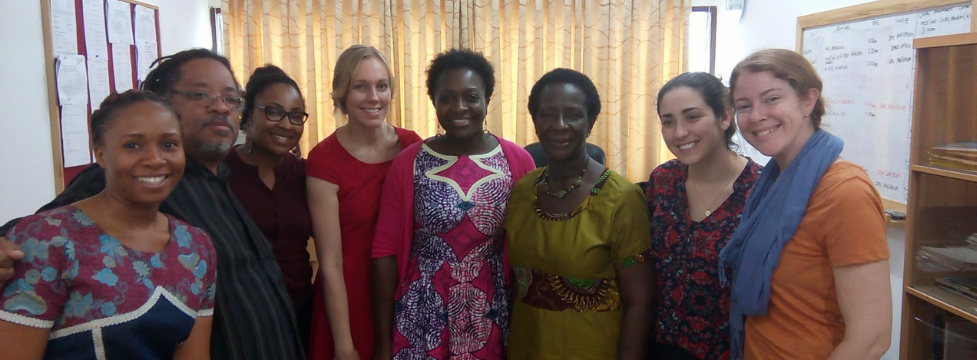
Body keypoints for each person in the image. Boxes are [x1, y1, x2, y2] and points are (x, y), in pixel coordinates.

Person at [0, 49, 306, 360]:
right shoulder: (141, 178)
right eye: (202, 94)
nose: (220, 107)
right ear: (161, 103)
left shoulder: (222, 180)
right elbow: (32, 236)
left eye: (230, 98)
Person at [0, 90, 217, 359]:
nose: (155, 159)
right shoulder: (48, 240)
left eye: (169, 144)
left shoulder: (195, 246)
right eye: (133, 145)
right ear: (101, 155)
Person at [720, 48, 891, 360]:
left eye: (771, 99)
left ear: (808, 101)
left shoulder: (844, 191)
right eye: (744, 105)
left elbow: (871, 339)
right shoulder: (772, 182)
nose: (757, 115)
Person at [370, 48, 535, 360]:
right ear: (434, 101)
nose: (459, 107)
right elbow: (384, 253)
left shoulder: (517, 161)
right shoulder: (409, 162)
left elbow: (531, 247)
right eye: (447, 97)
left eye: (471, 96)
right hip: (421, 313)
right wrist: (382, 341)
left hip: (492, 312)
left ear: (488, 99)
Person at [503, 68, 655, 360]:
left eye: (572, 114)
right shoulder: (522, 191)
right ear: (535, 122)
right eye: (547, 115)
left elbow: (641, 302)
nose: (559, 125)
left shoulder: (621, 199)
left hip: (594, 348)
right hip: (526, 346)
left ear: (590, 122)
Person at [306, 45, 422, 360]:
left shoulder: (413, 146)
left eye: (381, 86)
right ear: (342, 94)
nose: (374, 97)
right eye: (361, 86)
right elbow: (330, 262)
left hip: (404, 296)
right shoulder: (324, 159)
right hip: (348, 302)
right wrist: (344, 345)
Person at [646, 72, 762, 360]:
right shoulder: (663, 179)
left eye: (692, 117)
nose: (679, 132)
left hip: (731, 348)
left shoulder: (761, 190)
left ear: (724, 117)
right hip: (661, 344)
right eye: (668, 121)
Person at [224, 64, 314, 347]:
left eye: (296, 116)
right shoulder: (220, 173)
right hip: (241, 320)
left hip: (301, 311)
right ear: (247, 114)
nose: (286, 124)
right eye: (273, 111)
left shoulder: (306, 174)